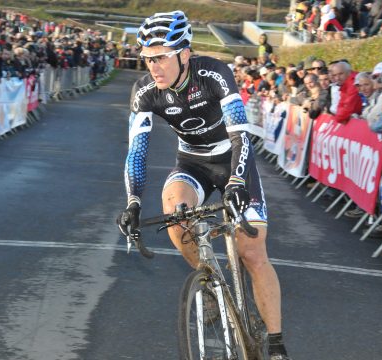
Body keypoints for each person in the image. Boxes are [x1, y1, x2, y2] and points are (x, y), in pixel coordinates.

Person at [116, 10, 291, 360]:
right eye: (148, 58)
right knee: (174, 216)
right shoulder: (146, 91)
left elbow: (241, 133)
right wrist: (133, 201)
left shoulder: (214, 73)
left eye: (162, 57)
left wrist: (238, 181)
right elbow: (137, 151)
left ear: (185, 53)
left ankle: (275, 343)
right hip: (192, 161)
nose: (154, 67)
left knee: (253, 254)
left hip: (232, 159)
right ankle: (209, 281)